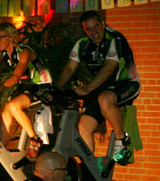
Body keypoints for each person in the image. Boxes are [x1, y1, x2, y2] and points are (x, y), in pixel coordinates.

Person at [55, 10, 140, 165]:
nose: (94, 32)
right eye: (89, 29)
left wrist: (88, 89)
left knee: (104, 99)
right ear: (84, 30)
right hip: (101, 87)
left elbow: (108, 68)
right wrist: (57, 88)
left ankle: (121, 140)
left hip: (126, 83)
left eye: (96, 27)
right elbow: (70, 67)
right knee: (84, 125)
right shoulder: (82, 43)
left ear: (103, 24)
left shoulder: (115, 38)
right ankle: (88, 166)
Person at [0, 21, 52, 159]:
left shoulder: (24, 52)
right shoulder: (3, 53)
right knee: (6, 111)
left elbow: (15, 77)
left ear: (12, 36)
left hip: (42, 86)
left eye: (1, 37)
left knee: (14, 106)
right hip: (27, 85)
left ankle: (35, 139)